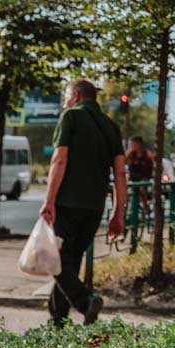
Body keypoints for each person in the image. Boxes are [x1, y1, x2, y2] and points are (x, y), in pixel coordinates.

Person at [39, 79, 127, 326]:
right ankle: (58, 320)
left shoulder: (71, 117)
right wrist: (118, 214)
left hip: (67, 204)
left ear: (76, 95)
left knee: (55, 261)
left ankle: (85, 300)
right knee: (70, 261)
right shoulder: (111, 126)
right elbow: (120, 173)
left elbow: (59, 160)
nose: (65, 101)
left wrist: (49, 200)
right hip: (94, 207)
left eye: (66, 96)